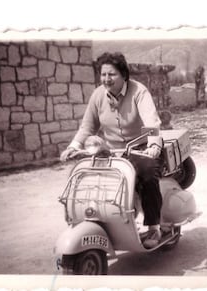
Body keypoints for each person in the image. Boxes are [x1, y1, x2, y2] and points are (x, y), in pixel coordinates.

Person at [60, 52, 163, 249]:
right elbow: (87, 127)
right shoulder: (98, 95)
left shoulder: (139, 91)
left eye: (112, 74)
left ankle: (153, 226)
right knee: (86, 177)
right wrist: (73, 147)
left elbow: (151, 121)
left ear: (124, 74)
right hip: (111, 151)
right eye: (103, 74)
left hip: (139, 148)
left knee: (148, 174)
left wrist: (153, 145)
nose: (106, 79)